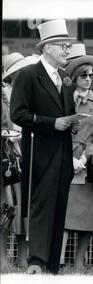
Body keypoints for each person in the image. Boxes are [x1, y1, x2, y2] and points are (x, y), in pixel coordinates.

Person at [10, 19, 77, 274]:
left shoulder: (65, 78)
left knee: (59, 206)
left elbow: (65, 114)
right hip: (39, 151)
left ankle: (51, 265)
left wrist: (72, 122)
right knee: (40, 206)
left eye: (68, 46)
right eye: (63, 46)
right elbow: (18, 113)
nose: (67, 50)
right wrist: (52, 123)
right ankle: (36, 261)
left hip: (63, 152)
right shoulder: (28, 75)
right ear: (47, 47)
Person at [60, 49, 93, 272]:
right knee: (64, 214)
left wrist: (84, 157)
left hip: (87, 165)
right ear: (75, 78)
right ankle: (58, 259)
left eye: (91, 76)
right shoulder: (62, 100)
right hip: (63, 161)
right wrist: (69, 158)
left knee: (87, 217)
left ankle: (80, 261)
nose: (88, 80)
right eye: (84, 76)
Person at [1, 53, 38, 269]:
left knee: (25, 208)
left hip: (29, 154)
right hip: (7, 158)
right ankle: (4, 258)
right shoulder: (4, 96)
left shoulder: (31, 94)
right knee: (7, 207)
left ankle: (23, 257)